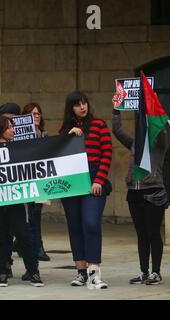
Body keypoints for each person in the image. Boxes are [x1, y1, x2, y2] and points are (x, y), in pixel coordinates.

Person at [59, 91, 112, 289]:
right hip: (72, 182)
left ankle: (94, 272)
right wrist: (68, 136)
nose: (83, 107)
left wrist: (98, 180)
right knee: (74, 226)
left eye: (84, 103)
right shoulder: (65, 128)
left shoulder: (99, 125)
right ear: (70, 108)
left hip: (93, 179)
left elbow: (107, 153)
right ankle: (81, 272)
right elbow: (59, 156)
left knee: (91, 223)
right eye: (77, 104)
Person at [0, 115, 44, 287]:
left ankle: (33, 271)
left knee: (23, 235)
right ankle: (3, 271)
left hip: (14, 199)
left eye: (12, 126)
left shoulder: (18, 148)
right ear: (0, 130)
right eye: (9, 127)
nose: (13, 130)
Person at [112, 109, 168, 285]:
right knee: (141, 234)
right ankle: (144, 271)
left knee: (153, 233)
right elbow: (117, 130)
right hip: (134, 193)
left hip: (153, 191)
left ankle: (156, 272)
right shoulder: (135, 143)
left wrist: (156, 118)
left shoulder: (159, 142)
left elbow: (163, 134)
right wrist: (116, 109)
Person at [0, 102, 22, 280]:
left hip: (15, 194)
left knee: (19, 232)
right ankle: (3, 266)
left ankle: (31, 269)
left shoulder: (21, 137)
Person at [21, 102, 50, 262]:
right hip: (25, 179)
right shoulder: (21, 135)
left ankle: (36, 246)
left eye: (38, 113)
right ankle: (34, 247)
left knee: (35, 214)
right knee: (27, 215)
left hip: (39, 179)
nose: (37, 116)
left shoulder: (43, 134)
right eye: (33, 114)